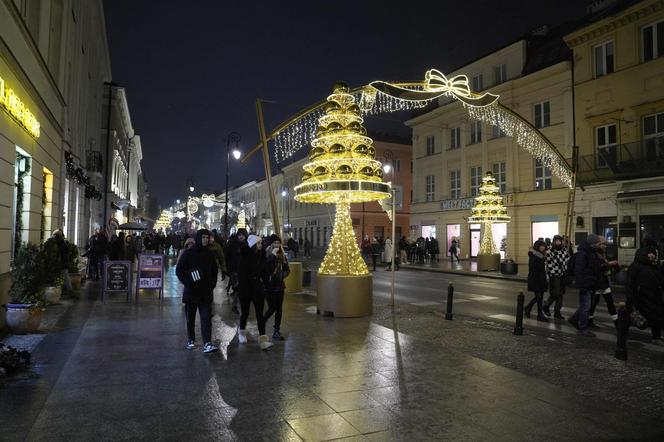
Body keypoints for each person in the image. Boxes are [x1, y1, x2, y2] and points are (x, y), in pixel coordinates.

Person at [175, 229, 219, 353]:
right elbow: (179, 270)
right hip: (192, 292)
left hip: (205, 292)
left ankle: (207, 343)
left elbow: (214, 271)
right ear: (199, 238)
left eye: (207, 237)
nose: (206, 240)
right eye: (203, 237)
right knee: (190, 318)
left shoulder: (210, 254)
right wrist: (188, 282)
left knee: (206, 318)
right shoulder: (188, 253)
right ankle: (191, 339)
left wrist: (212, 284)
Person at [238, 234, 273, 350]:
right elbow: (241, 275)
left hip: (257, 288)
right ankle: (242, 332)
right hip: (246, 288)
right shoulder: (244, 257)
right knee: (245, 312)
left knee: (259, 314)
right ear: (253, 245)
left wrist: (268, 288)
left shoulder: (262, 256)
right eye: (258, 243)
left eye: (261, 243)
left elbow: (265, 274)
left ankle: (263, 340)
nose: (261, 245)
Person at [627, 245, 664, 345]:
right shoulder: (636, 266)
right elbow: (630, 283)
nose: (654, 256)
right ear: (645, 254)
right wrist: (630, 298)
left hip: (654, 296)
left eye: (655, 254)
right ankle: (623, 333)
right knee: (634, 317)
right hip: (640, 298)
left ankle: (656, 337)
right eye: (652, 254)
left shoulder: (654, 265)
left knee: (657, 316)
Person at [568, 233, 603, 336]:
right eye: (598, 243)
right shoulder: (583, 254)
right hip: (585, 283)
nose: (599, 244)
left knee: (585, 305)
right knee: (586, 306)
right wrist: (582, 284)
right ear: (593, 243)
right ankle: (583, 327)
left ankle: (574, 319)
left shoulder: (591, 252)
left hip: (590, 283)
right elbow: (579, 270)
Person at [587, 236, 619, 327]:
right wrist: (609, 264)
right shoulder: (593, 254)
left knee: (606, 302)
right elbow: (596, 267)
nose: (605, 246)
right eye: (603, 244)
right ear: (597, 244)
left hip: (602, 281)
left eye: (606, 244)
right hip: (597, 282)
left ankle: (616, 322)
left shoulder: (602, 253)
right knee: (597, 302)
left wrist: (611, 265)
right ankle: (589, 320)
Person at [264, 236, 290, 341]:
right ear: (271, 244)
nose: (277, 245)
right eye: (275, 243)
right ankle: (262, 322)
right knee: (272, 308)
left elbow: (287, 270)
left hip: (279, 286)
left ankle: (276, 331)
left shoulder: (282, 256)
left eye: (278, 243)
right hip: (269, 287)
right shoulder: (267, 255)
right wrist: (272, 256)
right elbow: (266, 268)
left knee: (279, 309)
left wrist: (282, 276)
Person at [543, 235, 569, 320]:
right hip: (554, 275)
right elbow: (549, 264)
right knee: (556, 293)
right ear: (554, 241)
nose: (558, 242)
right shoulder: (550, 251)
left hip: (562, 274)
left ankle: (557, 312)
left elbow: (567, 260)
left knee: (560, 294)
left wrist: (566, 271)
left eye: (559, 241)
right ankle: (546, 305)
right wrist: (553, 274)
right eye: (556, 241)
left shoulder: (564, 250)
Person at [525, 240, 549, 322]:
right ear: (537, 246)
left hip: (541, 278)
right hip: (535, 278)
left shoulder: (542, 256)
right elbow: (533, 268)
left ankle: (528, 308)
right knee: (538, 297)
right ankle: (539, 314)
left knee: (540, 297)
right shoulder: (534, 255)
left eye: (543, 246)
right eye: (541, 246)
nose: (543, 247)